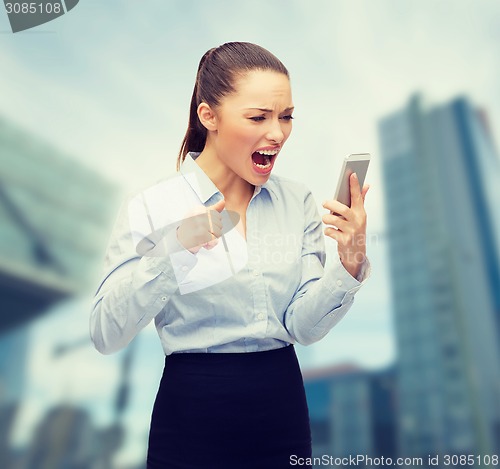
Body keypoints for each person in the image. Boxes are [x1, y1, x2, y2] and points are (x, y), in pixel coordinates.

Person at [90, 41, 371, 468]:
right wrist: (174, 251)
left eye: (286, 117)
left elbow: (303, 327)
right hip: (192, 411)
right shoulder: (153, 206)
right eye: (258, 117)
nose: (277, 133)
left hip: (282, 406)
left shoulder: (298, 202)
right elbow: (105, 333)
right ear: (209, 116)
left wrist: (349, 261)